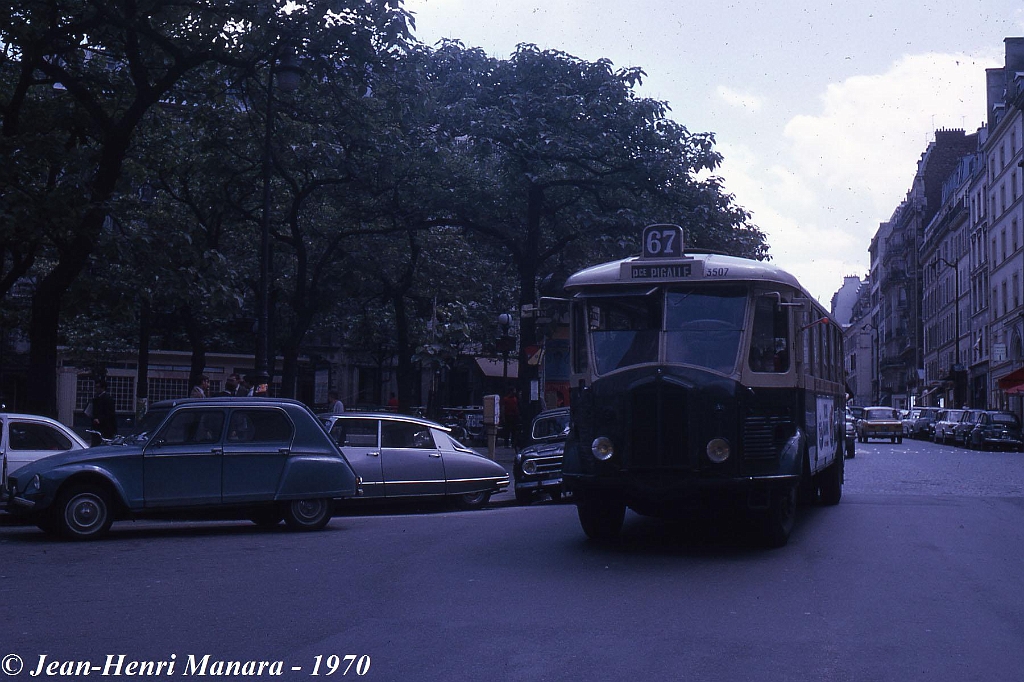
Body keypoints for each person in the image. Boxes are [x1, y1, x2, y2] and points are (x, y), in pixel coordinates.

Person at [90, 379, 117, 446]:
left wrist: (99, 419)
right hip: (96, 428)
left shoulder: (108, 399)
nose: (96, 389)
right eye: (95, 387)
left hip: (105, 428)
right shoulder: (96, 398)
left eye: (97, 387)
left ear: (103, 388)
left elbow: (110, 414)